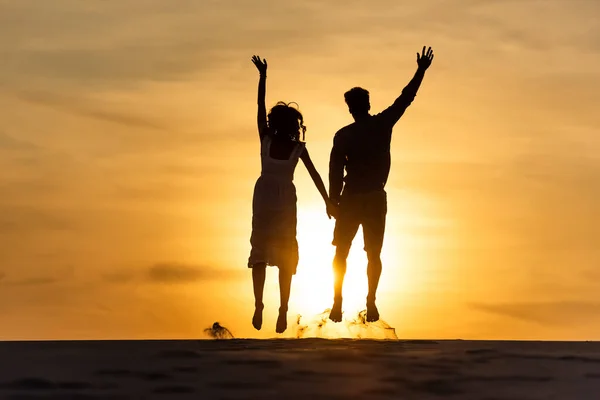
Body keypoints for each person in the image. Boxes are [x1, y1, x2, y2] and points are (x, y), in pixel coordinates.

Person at [328, 46, 435, 323]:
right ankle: (360, 302)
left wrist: (332, 198)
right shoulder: (377, 126)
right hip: (368, 198)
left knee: (346, 252)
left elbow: (334, 172)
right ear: (366, 105)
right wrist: (420, 71)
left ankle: (347, 302)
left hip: (356, 198)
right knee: (367, 253)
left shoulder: (347, 134)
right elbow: (405, 99)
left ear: (352, 108)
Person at [248, 55, 336, 333]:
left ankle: (268, 305)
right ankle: (273, 307)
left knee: (268, 252)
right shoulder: (281, 143)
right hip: (279, 199)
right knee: (275, 253)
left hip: (270, 198)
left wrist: (263, 77)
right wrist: (327, 201)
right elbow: (316, 175)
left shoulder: (277, 141)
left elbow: (259, 108)